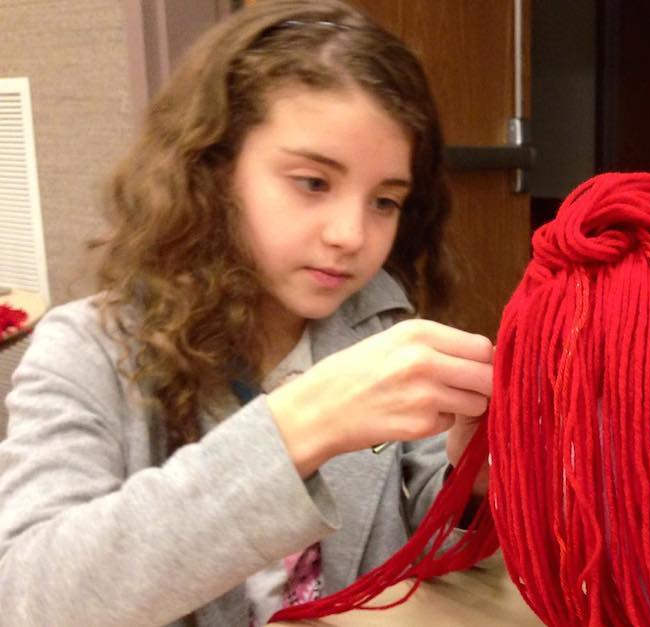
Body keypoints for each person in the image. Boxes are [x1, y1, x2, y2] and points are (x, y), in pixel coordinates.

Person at [0, 1, 495, 625]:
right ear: (214, 170)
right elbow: (30, 597)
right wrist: (301, 425)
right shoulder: (86, 350)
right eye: (313, 182)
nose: (351, 233)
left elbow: (426, 541)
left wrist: (473, 478)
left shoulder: (377, 325)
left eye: (385, 201)